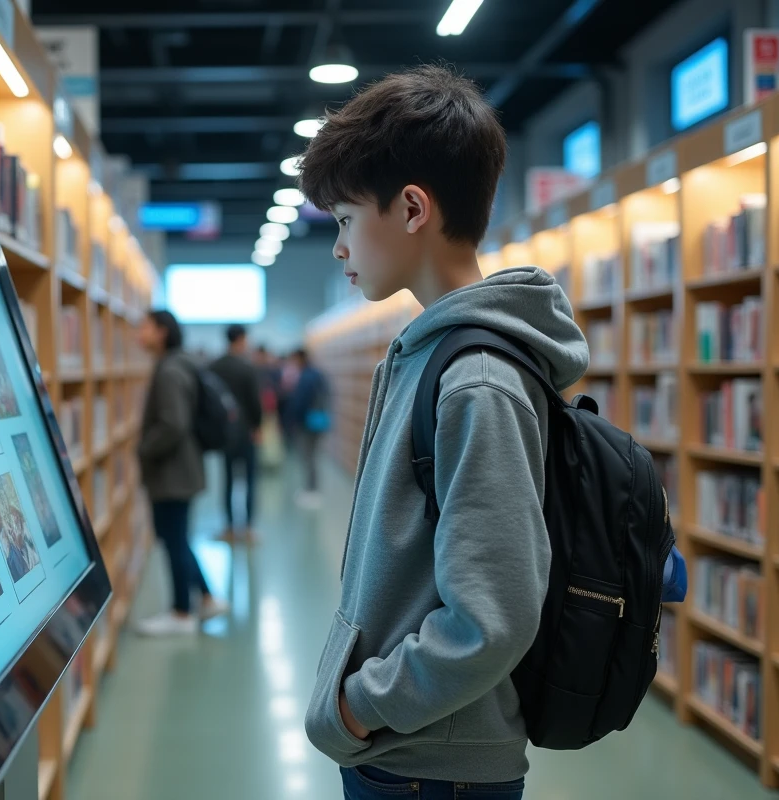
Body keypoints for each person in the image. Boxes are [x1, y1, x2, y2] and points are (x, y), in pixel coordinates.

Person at [297, 66, 590, 799]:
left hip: (432, 765)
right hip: (411, 751)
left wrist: (359, 705)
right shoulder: (429, 350)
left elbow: (491, 617)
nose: (338, 247)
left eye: (343, 219)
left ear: (412, 208)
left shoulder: (477, 379)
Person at [135, 310, 228, 636]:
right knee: (176, 537)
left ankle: (180, 613)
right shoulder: (178, 364)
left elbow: (173, 423)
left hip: (173, 472)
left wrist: (143, 447)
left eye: (144, 327)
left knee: (172, 538)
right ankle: (205, 597)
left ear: (161, 332)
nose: (138, 333)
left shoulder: (170, 370)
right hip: (182, 468)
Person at [208, 324, 264, 542]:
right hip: (247, 432)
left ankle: (230, 528)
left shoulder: (215, 366)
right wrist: (257, 427)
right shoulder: (247, 367)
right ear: (241, 339)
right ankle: (248, 528)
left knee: (228, 479)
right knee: (249, 479)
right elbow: (254, 401)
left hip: (224, 433)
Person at [281, 348, 328, 509]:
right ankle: (311, 489)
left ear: (300, 358)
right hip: (316, 421)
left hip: (307, 423)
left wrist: (292, 418)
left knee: (308, 457)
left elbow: (301, 401)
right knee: (311, 456)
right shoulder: (316, 374)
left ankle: (312, 491)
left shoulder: (307, 376)